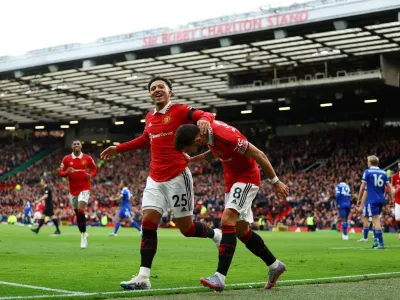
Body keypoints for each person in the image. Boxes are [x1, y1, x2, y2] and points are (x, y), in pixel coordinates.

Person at [100, 76, 222, 290]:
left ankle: (215, 234)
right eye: (153, 88)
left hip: (178, 176)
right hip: (154, 178)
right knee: (148, 222)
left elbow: (206, 114)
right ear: (150, 94)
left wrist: (205, 120)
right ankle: (143, 277)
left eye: (161, 87)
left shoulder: (179, 110)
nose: (157, 90)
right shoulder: (149, 117)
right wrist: (118, 148)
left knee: (187, 228)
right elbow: (144, 140)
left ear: (169, 92)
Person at [174, 121, 289, 291]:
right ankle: (275, 265)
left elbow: (260, 155)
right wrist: (193, 159)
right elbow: (214, 153)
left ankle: (219, 277)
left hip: (246, 178)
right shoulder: (209, 137)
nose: (188, 152)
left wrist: (276, 182)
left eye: (188, 149)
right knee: (243, 232)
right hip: (233, 181)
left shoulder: (227, 137)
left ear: (197, 140)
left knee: (227, 220)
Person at [59, 140, 97, 248]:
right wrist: (66, 172)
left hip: (84, 187)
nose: (76, 145)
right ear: (72, 146)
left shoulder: (87, 158)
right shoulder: (66, 159)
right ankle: (83, 233)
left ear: (81, 146)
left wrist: (91, 175)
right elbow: (61, 172)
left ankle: (83, 237)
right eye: (74, 144)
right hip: (73, 190)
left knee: (81, 211)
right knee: (77, 214)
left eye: (78, 144)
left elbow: (94, 168)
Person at [358, 156, 393, 249]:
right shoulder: (383, 172)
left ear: (370, 162)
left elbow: (362, 188)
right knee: (375, 220)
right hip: (381, 200)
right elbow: (389, 187)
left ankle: (381, 244)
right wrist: (392, 199)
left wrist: (359, 198)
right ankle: (376, 241)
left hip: (372, 200)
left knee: (376, 220)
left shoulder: (367, 172)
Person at [391, 161, 400, 240]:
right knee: (397, 218)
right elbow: (391, 187)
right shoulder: (394, 176)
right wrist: (395, 190)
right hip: (397, 200)